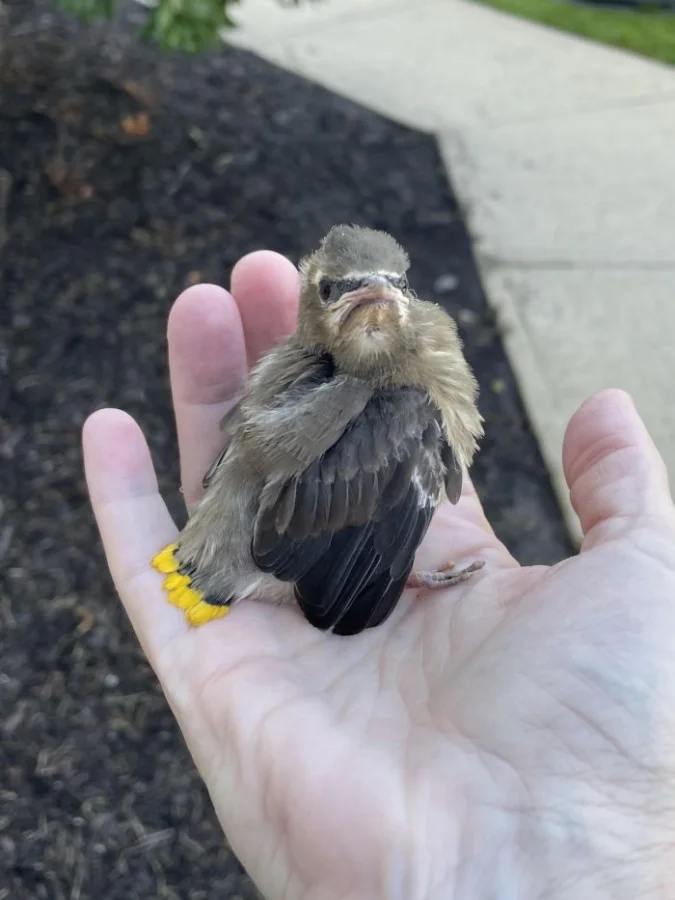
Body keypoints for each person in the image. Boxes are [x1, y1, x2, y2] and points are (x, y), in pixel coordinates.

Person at [82, 250, 675, 899]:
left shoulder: (385, 385)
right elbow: (352, 544)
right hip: (251, 553)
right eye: (337, 289)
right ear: (314, 305)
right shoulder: (403, 409)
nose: (375, 295)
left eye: (396, 283)